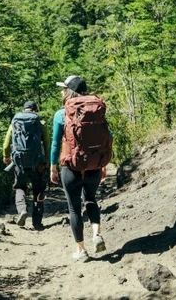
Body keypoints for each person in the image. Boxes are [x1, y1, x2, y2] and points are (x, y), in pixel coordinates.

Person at [50, 75, 110, 262]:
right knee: (91, 199)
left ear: (69, 91)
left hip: (71, 167)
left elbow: (54, 143)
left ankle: (81, 251)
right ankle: (96, 234)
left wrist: (53, 166)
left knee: (74, 209)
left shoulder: (61, 114)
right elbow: (107, 135)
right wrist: (102, 163)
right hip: (93, 164)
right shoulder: (95, 109)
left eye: (63, 88)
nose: (61, 91)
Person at [3, 100, 50, 230]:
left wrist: (6, 156)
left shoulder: (15, 122)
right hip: (37, 163)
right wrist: (47, 161)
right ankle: (37, 222)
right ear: (35, 110)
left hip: (19, 162)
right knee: (38, 190)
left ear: (24, 110)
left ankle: (22, 210)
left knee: (20, 187)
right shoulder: (40, 123)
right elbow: (47, 144)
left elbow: (6, 144)